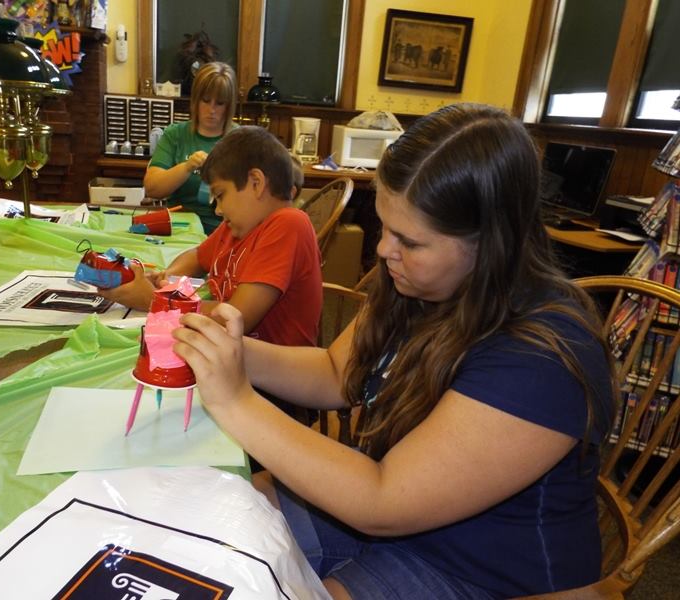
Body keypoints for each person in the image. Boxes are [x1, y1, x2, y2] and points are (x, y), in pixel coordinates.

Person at [172, 103, 616, 599]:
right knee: (221, 514)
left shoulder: (545, 357)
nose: (384, 250)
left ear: (492, 241)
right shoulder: (420, 285)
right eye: (384, 226)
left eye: (410, 241)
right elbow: (335, 371)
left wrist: (236, 401)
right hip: (398, 523)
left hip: (482, 572)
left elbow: (380, 500)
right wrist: (233, 352)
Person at [100, 125, 322, 350]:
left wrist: (154, 301)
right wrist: (166, 279)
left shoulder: (289, 223)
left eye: (221, 195)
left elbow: (234, 318)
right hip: (227, 355)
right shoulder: (238, 227)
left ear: (256, 183)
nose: (218, 210)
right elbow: (198, 256)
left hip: (267, 369)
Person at [145, 61, 237, 234]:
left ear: (229, 106)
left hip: (227, 231)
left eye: (220, 103)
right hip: (181, 230)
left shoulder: (241, 140)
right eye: (206, 101)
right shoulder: (175, 135)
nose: (212, 110)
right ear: (195, 100)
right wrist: (187, 167)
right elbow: (152, 188)